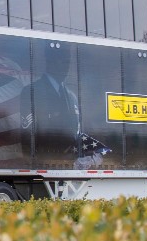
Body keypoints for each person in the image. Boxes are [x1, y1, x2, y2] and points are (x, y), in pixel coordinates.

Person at [20, 40, 109, 170]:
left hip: (70, 165)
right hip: (46, 164)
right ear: (49, 62)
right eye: (62, 61)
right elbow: (28, 136)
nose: (66, 67)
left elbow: (76, 131)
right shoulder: (32, 91)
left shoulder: (70, 96)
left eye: (68, 62)